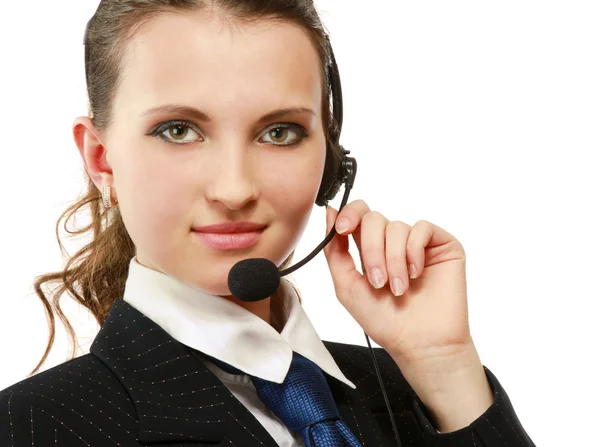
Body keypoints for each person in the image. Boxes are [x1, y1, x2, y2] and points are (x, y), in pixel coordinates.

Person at [0, 0, 536, 445]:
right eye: (179, 130)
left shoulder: (416, 395)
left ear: (332, 162)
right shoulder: (33, 427)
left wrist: (445, 369)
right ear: (101, 159)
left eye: (279, 132)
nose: (234, 189)